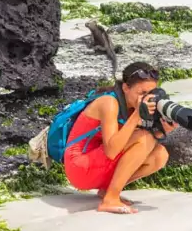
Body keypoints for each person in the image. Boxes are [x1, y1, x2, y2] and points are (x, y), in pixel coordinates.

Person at [64, 62, 177, 214]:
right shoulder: (109, 103)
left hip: (98, 162)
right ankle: (110, 198)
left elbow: (134, 147)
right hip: (79, 167)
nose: (147, 99)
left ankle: (107, 190)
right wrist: (137, 114)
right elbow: (112, 150)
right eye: (142, 93)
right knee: (144, 136)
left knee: (159, 155)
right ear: (125, 88)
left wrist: (162, 131)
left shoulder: (132, 105)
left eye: (151, 93)